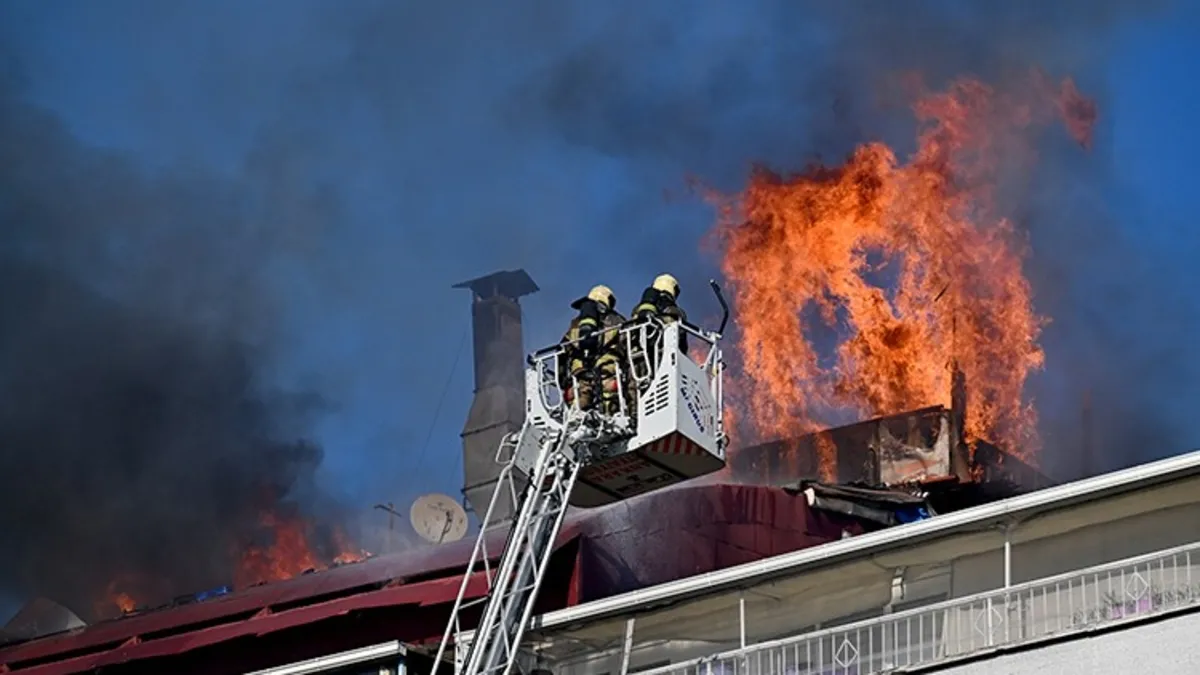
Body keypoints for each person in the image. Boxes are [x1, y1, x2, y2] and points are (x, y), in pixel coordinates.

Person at [560, 285, 627, 415]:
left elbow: (563, 349)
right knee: (609, 395)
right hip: (606, 370)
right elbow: (626, 344)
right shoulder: (617, 321)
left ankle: (576, 420)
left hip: (580, 372)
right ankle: (609, 418)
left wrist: (562, 379)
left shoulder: (576, 324)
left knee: (580, 399)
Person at [632, 273, 689, 356]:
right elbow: (682, 345)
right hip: (662, 357)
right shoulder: (676, 311)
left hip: (638, 356)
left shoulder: (638, 309)